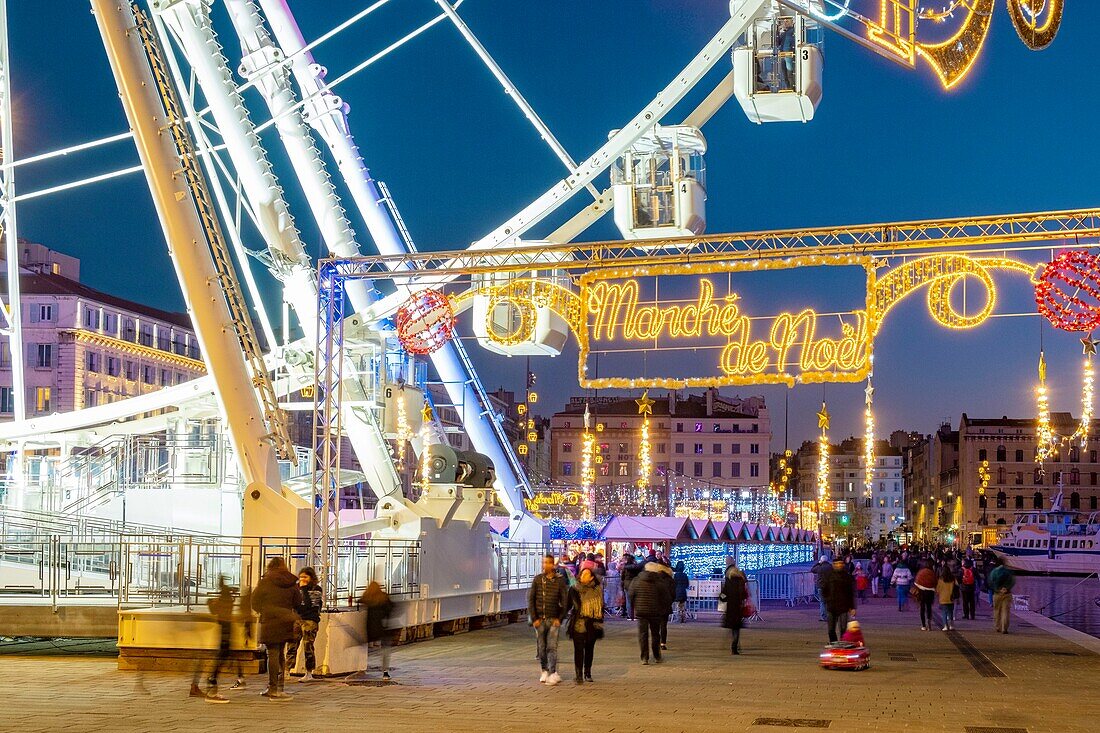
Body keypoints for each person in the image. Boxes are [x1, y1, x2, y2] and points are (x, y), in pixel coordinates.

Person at [250, 557, 302, 701]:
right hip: (285, 622)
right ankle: (279, 687)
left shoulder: (265, 581)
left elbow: (254, 601)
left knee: (272, 653)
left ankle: (273, 688)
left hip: (269, 621)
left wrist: (264, 610)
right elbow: (298, 601)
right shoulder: (291, 582)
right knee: (280, 654)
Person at [190, 577, 235, 703]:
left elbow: (215, 611)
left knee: (221, 657)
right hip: (225, 632)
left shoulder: (223, 598)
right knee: (221, 657)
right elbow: (218, 612)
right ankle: (211, 684)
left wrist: (210, 602)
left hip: (222, 631)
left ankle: (208, 683)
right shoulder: (227, 598)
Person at [527, 554, 570, 685]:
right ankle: (544, 670)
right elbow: (531, 599)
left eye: (547, 563)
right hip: (539, 619)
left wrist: (560, 618)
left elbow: (565, 600)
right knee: (541, 647)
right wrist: (534, 618)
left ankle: (552, 672)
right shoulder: (537, 580)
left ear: (552, 565)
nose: (544, 565)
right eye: (543, 563)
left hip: (553, 619)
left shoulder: (560, 581)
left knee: (552, 647)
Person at [628, 561, 670, 665]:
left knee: (643, 634)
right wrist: (661, 608)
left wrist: (636, 606)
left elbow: (631, 595)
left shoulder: (637, 580)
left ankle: (644, 657)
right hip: (655, 612)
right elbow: (666, 597)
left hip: (641, 611)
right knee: (656, 634)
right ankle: (657, 656)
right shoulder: (659, 581)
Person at [567, 567, 604, 684]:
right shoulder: (574, 589)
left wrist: (600, 622)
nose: (584, 576)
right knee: (578, 649)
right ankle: (578, 674)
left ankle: (587, 672)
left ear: (592, 577)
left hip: (592, 624)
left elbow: (601, 607)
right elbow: (568, 605)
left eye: (587, 574)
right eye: (582, 574)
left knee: (589, 649)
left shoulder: (597, 590)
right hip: (578, 623)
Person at [286, 567, 323, 682]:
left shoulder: (316, 589)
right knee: (292, 645)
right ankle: (287, 670)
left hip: (310, 621)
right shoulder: (295, 588)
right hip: (297, 620)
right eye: (301, 576)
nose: (302, 579)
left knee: (308, 647)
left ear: (311, 577)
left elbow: (309, 605)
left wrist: (304, 589)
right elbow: (293, 604)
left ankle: (309, 672)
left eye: (305, 577)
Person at [361, 581, 395, 680]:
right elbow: (391, 608)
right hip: (383, 626)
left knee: (365, 647)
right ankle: (385, 672)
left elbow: (360, 601)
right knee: (385, 650)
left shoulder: (367, 597)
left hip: (371, 626)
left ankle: (363, 665)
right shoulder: (383, 597)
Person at [821, 558, 855, 643]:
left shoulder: (846, 577)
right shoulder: (829, 576)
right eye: (837, 564)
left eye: (840, 563)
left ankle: (843, 644)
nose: (839, 565)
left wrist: (852, 607)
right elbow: (824, 589)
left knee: (843, 628)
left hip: (843, 606)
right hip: (831, 606)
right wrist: (827, 599)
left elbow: (850, 593)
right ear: (833, 565)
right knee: (831, 629)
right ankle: (834, 644)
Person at [719, 561, 748, 655]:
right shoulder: (741, 582)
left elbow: (724, 594)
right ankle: (735, 646)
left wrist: (721, 597)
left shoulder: (728, 582)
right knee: (737, 628)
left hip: (730, 607)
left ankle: (734, 646)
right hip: (738, 607)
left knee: (732, 628)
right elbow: (744, 595)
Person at [988, 559, 1016, 634]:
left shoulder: (994, 572)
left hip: (997, 593)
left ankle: (998, 626)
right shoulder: (1008, 572)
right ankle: (1004, 628)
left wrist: (997, 589)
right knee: (1005, 611)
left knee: (997, 610)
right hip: (1007, 593)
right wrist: (1006, 588)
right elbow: (1013, 581)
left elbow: (990, 582)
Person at [656, 562, 675, 650]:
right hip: (666, 604)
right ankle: (663, 643)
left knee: (655, 624)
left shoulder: (655, 579)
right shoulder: (670, 579)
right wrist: (670, 601)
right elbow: (673, 594)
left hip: (656, 604)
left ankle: (656, 641)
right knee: (664, 625)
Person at [914, 563, 937, 631]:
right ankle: (929, 621)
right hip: (930, 592)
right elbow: (935, 582)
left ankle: (923, 625)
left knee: (922, 608)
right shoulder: (932, 573)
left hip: (922, 591)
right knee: (929, 607)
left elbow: (916, 582)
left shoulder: (921, 572)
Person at [936, 566, 958, 631]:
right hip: (951, 598)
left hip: (943, 598)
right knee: (950, 612)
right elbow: (957, 587)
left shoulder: (940, 579)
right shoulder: (953, 578)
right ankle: (951, 625)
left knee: (944, 613)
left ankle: (945, 626)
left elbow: (938, 589)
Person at [810, 555, 831, 622]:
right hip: (829, 586)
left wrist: (818, 563)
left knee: (822, 602)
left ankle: (823, 616)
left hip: (821, 586)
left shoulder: (820, 567)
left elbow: (812, 569)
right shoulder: (830, 567)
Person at [621, 554, 641, 620]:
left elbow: (622, 577)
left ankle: (630, 616)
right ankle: (636, 615)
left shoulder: (625, 567)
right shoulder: (636, 567)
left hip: (627, 585)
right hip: (635, 584)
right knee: (635, 601)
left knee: (628, 601)